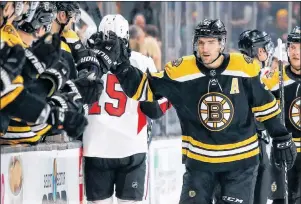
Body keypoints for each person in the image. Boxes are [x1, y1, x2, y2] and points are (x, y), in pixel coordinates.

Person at [93, 18, 297, 204]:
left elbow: (265, 105)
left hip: (240, 163)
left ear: (221, 43)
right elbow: (144, 89)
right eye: (201, 42)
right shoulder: (181, 71)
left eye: (210, 42)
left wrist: (280, 136)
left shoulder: (243, 67)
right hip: (200, 164)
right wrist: (121, 67)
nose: (205, 48)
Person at [83, 14, 170, 204]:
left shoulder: (86, 62)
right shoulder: (142, 61)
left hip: (95, 146)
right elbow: (155, 109)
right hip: (132, 148)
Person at [262, 26, 300, 204]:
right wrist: (260, 82)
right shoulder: (274, 79)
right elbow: (261, 113)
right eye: (292, 47)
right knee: (280, 201)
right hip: (284, 152)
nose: (296, 52)